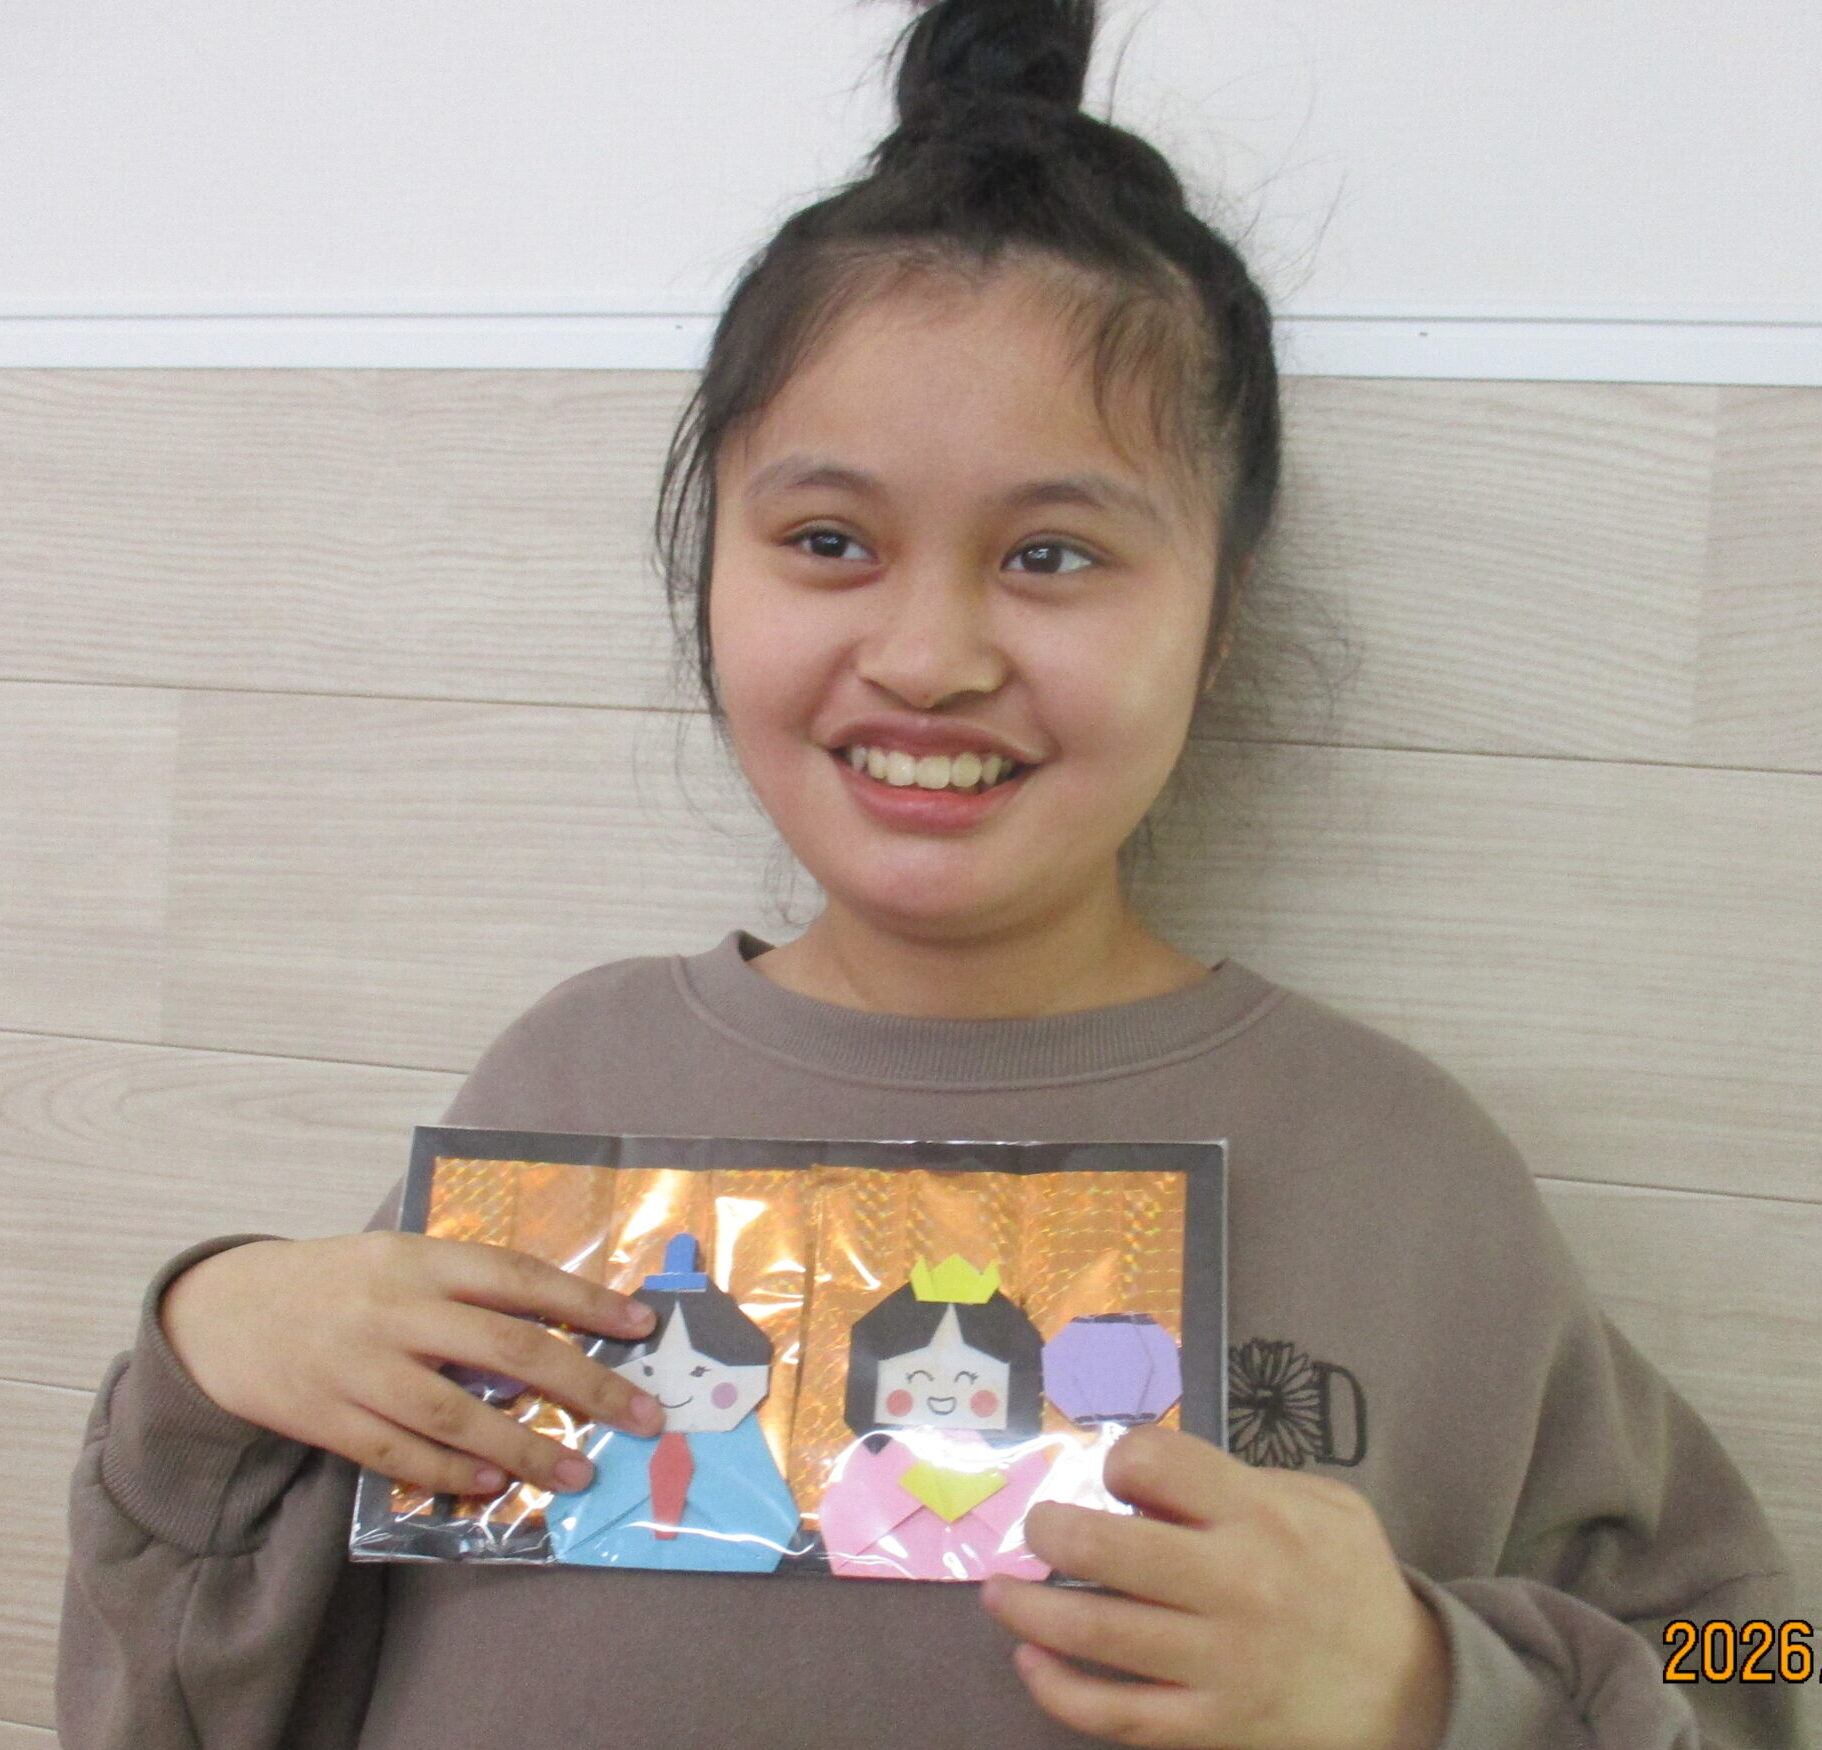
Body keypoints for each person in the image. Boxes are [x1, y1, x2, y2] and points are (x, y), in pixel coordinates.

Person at [57, 1, 1801, 1746]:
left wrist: (1427, 1682)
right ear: (711, 570)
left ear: (1217, 614)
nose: (926, 656)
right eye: (828, 541)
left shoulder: (1403, 1171)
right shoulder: (564, 1085)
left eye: (1052, 554)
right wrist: (200, 1360)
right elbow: (218, 1661)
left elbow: (1764, 1664)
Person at [544, 1233, 802, 1573]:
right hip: (593, 1564)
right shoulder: (614, 1437)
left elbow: (762, 1511)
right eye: (647, 1370)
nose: (670, 1391)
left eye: (699, 1371)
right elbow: (579, 1510)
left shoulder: (737, 1437)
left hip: (739, 1567)